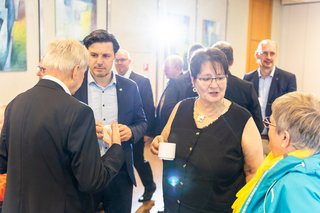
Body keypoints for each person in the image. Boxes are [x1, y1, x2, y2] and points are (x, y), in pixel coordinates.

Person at [0, 39, 125, 213]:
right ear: (76, 71)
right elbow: (92, 181)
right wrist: (116, 149)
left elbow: (2, 161)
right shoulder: (78, 112)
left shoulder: (16, 103)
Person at [151, 48, 264, 212]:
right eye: (206, 78)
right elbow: (164, 139)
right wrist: (157, 142)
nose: (214, 85)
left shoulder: (242, 119)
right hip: (174, 206)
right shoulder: (181, 108)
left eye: (220, 78)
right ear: (193, 80)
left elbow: (254, 172)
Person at [73, 30, 147, 213]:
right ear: (86, 55)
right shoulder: (74, 86)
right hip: (84, 170)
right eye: (94, 55)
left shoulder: (130, 87)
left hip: (120, 172)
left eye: (106, 55)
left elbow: (142, 122)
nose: (99, 61)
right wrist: (86, 131)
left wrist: (131, 132)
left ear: (115, 57)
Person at [232, 91, 320, 212]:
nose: (268, 131)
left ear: (285, 138)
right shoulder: (306, 166)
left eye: (270, 124)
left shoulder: (294, 186)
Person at [115, 49, 157, 202]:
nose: (119, 63)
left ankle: (149, 185)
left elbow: (148, 107)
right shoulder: (112, 80)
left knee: (138, 160)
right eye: (117, 60)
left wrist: (147, 131)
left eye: (123, 60)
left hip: (136, 130)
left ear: (129, 61)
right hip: (117, 132)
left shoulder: (141, 81)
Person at [243, 39, 297, 137]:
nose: (268, 57)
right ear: (257, 55)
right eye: (265, 53)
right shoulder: (247, 78)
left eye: (272, 53)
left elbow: (291, 111)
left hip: (277, 136)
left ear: (276, 56)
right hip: (253, 135)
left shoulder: (288, 78)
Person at [212, 41, 264, 133]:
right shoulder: (246, 88)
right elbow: (258, 124)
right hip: (239, 144)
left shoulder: (202, 86)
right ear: (232, 61)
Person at [154, 47, 201, 136]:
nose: (164, 71)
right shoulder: (172, 82)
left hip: (174, 132)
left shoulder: (182, 84)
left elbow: (169, 110)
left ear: (178, 68)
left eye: (167, 68)